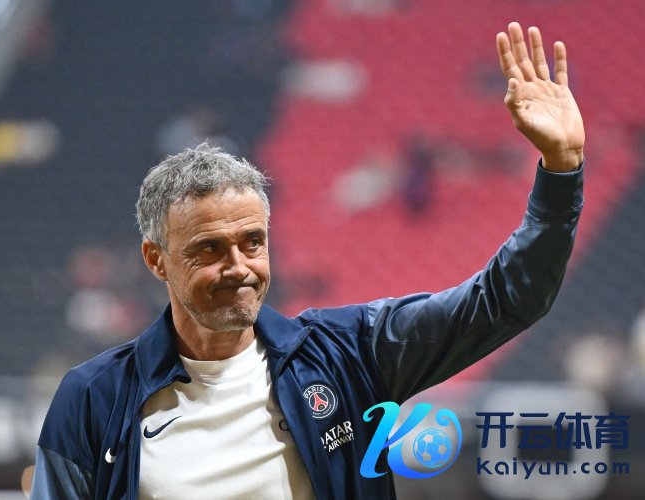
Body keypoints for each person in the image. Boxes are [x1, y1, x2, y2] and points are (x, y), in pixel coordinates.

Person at [30, 22, 585, 499]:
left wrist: (561, 169)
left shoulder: (347, 354)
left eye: (252, 242)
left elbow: (508, 298)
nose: (239, 267)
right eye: (209, 249)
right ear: (156, 259)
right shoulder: (94, 398)